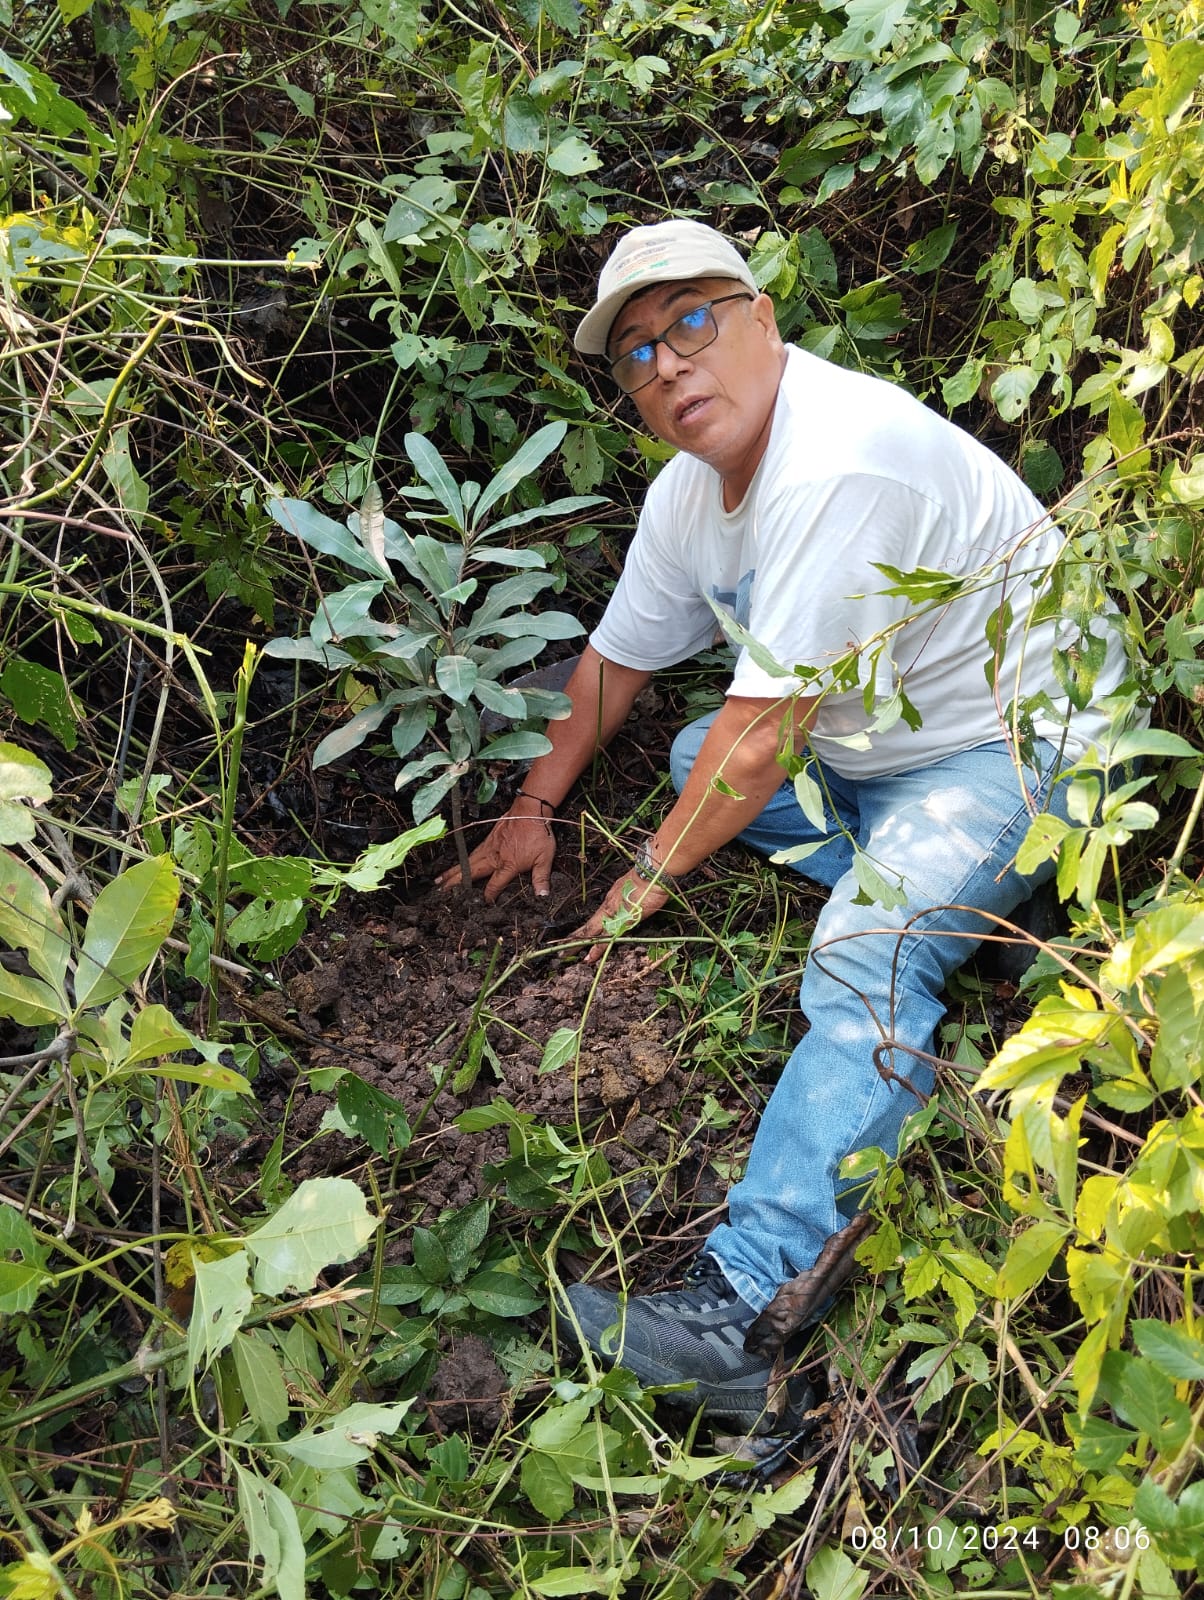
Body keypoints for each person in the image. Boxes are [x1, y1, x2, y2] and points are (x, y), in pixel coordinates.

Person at [436, 218, 1129, 1434]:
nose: (667, 365)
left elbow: (767, 747)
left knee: (859, 942)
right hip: (889, 753)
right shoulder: (688, 494)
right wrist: (531, 806)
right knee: (698, 750)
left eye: (692, 321)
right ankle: (982, 915)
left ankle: (742, 1320)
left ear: (763, 317)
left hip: (1033, 747)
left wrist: (637, 883)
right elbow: (613, 667)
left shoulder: (839, 458)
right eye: (636, 353)